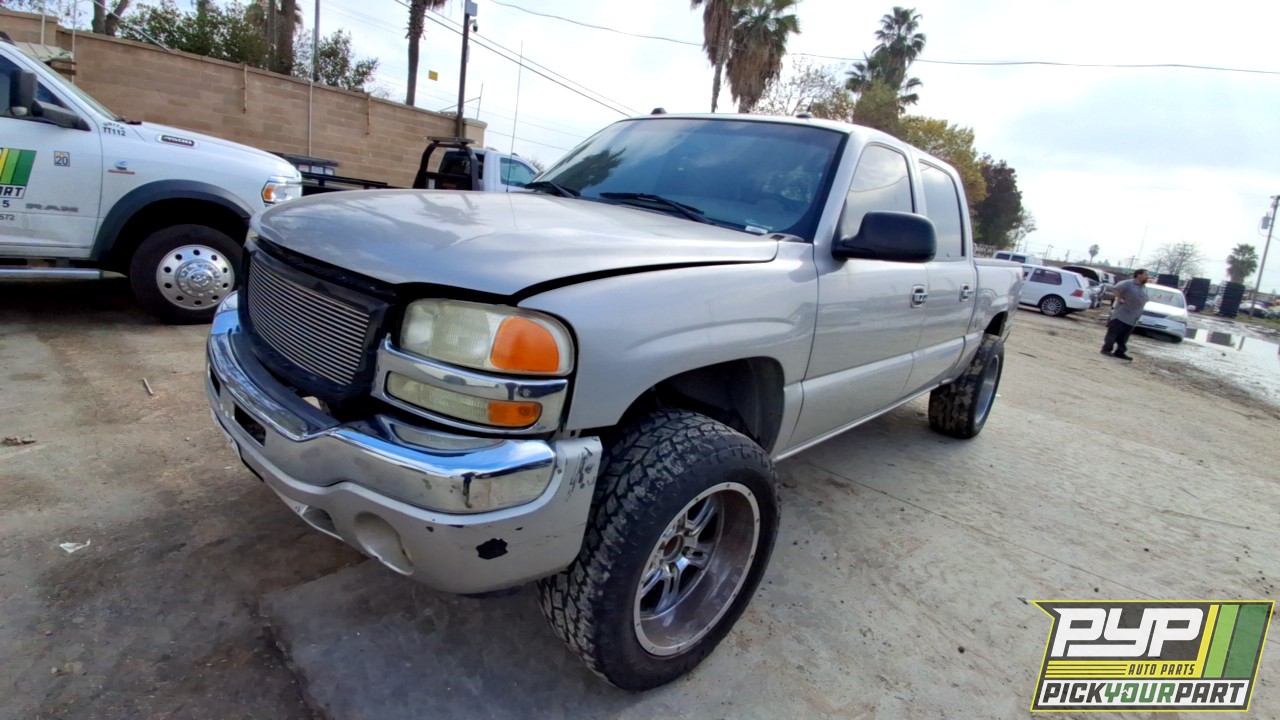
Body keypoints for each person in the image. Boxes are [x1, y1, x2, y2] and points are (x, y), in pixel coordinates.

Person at [1101, 268, 1151, 361]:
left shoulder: (1143, 287)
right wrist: (1120, 298)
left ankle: (1120, 352)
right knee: (1113, 334)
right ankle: (1106, 349)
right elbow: (1115, 289)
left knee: (1124, 337)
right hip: (1121, 314)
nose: (1147, 276)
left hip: (1133, 316)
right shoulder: (1128, 283)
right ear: (1138, 275)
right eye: (1145, 274)